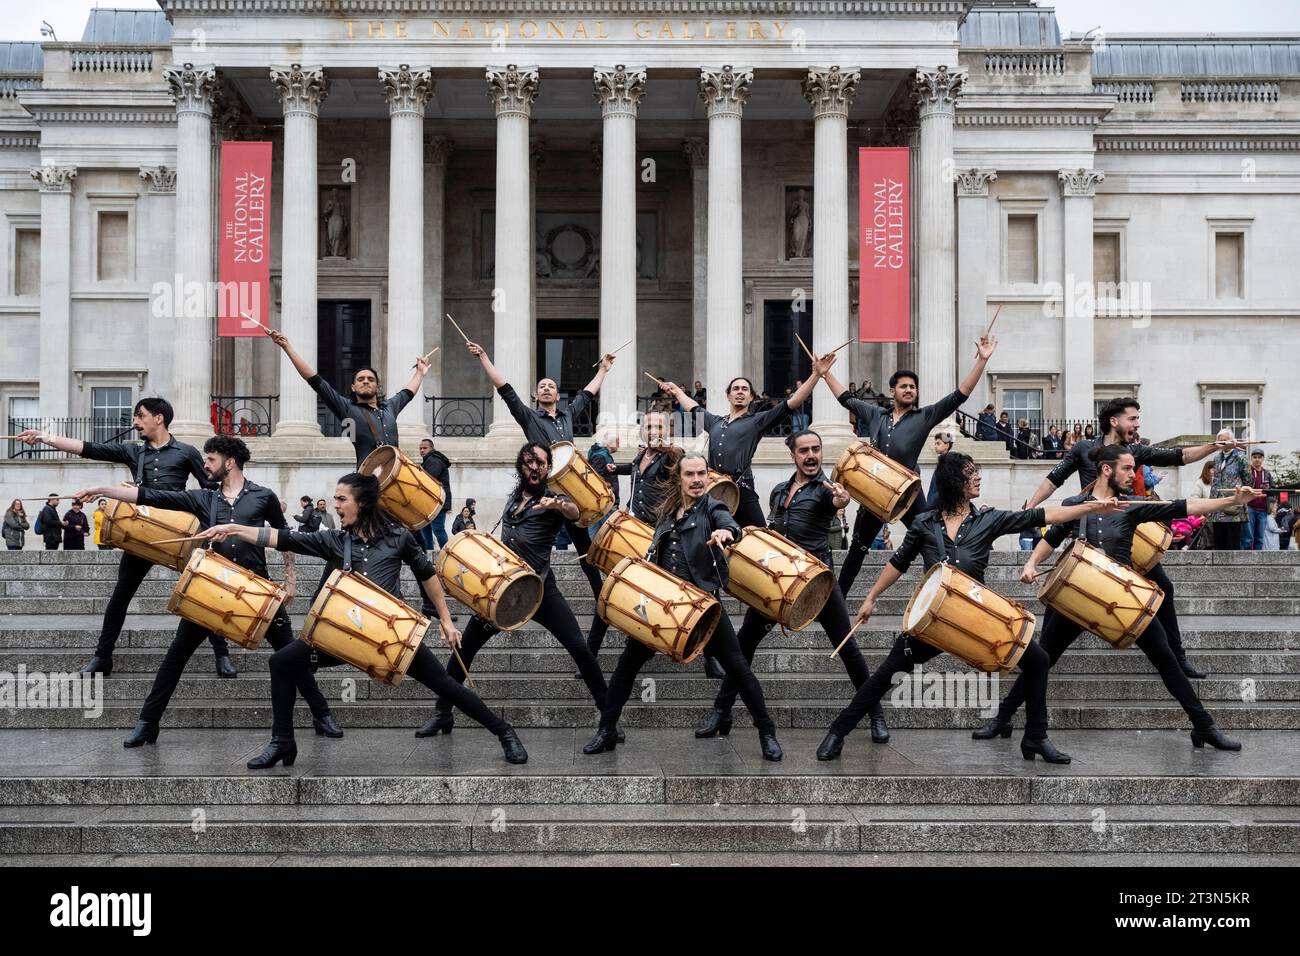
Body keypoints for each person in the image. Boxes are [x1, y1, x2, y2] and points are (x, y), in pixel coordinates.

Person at [198, 472, 527, 767]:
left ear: (363, 502)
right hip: (341, 635)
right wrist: (232, 528)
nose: (336, 504)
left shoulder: (399, 537)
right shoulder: (335, 540)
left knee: (444, 685)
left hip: (390, 637)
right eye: (336, 499)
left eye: (342, 499)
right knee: (282, 662)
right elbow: (279, 538)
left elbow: (428, 576)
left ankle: (504, 731)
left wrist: (446, 620)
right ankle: (282, 742)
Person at [817, 452, 1124, 763]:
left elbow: (1040, 517)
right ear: (954, 481)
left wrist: (1092, 506)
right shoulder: (924, 523)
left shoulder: (987, 519)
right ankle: (837, 733)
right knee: (883, 676)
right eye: (970, 473)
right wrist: (871, 598)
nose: (978, 477)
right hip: (932, 619)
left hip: (975, 614)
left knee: (1038, 660)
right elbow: (898, 562)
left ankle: (1035, 737)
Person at [978, 444, 1256, 753]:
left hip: (1123, 598)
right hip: (1077, 597)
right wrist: (1031, 564)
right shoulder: (1075, 505)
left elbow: (1185, 506)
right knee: (1041, 659)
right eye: (1127, 468)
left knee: (1167, 661)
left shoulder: (1132, 506)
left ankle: (1204, 726)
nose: (1132, 474)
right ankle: (1004, 717)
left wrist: (1232, 500)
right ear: (1106, 470)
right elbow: (1050, 540)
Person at [74, 435, 342, 748]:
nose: (205, 465)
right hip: (210, 589)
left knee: (288, 653)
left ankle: (321, 715)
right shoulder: (203, 498)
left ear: (230, 462)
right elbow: (149, 495)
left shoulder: (263, 496)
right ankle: (148, 723)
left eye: (211, 459)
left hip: (257, 590)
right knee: (175, 658)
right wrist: (103, 489)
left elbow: (284, 538)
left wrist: (291, 580)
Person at [583, 453, 783, 761]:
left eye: (701, 473)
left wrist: (725, 533)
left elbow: (730, 525)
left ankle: (767, 732)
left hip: (703, 606)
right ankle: (607, 729)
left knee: (739, 668)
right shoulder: (666, 512)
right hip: (663, 606)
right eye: (690, 474)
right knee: (625, 668)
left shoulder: (712, 508)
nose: (697, 480)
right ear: (680, 478)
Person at [1025, 399, 1241, 679]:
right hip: (1087, 534)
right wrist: (1031, 507)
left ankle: (1178, 658)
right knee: (1059, 599)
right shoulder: (1082, 449)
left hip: (1124, 533)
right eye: (1133, 419)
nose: (1138, 424)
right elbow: (1053, 480)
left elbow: (1180, 456)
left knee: (1163, 588)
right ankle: (1040, 662)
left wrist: (1215, 446)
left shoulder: (1134, 451)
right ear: (1114, 421)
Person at [17, 398, 231, 677]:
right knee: (119, 598)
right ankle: (103, 657)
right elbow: (88, 448)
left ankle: (222, 654)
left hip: (180, 538)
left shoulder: (187, 452)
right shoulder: (133, 452)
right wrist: (45, 438)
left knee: (203, 591)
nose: (135, 422)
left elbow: (210, 492)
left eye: (140, 416)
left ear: (159, 418)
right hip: (141, 536)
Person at [413, 443, 611, 739]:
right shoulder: (512, 500)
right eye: (530, 461)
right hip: (503, 590)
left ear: (547, 469)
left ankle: (609, 717)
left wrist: (559, 505)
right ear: (522, 465)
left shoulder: (554, 498)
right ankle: (443, 713)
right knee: (463, 649)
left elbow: (573, 512)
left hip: (541, 589)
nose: (536, 466)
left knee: (580, 649)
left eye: (542, 463)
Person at [695, 430, 881, 742]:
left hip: (817, 584)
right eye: (804, 450)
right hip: (779, 584)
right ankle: (721, 712)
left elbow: (836, 499)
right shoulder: (779, 492)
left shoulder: (825, 490)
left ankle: (876, 713)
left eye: (816, 450)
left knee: (847, 648)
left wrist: (841, 500)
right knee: (743, 647)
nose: (811, 456)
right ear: (793, 455)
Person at [463, 338, 616, 644]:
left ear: (558, 395)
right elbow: (505, 389)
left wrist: (604, 369)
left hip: (567, 497)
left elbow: (588, 393)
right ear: (536, 394)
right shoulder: (529, 416)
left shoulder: (567, 415)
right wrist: (483, 357)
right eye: (541, 386)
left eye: (551, 386)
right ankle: (509, 603)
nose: (546, 388)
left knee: (588, 555)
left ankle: (603, 608)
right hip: (539, 497)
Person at [825, 334, 998, 595]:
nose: (909, 390)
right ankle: (836, 601)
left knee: (933, 541)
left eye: (913, 387)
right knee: (857, 550)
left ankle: (949, 593)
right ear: (892, 390)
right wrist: (825, 374)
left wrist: (981, 361)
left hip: (908, 493)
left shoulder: (925, 416)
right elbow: (846, 399)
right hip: (875, 495)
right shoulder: (875, 414)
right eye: (904, 386)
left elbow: (958, 396)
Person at [656, 359, 828, 529]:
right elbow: (693, 407)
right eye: (736, 389)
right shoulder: (715, 422)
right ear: (728, 396)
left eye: (745, 389)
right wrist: (677, 390)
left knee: (760, 535)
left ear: (751, 397)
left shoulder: (757, 421)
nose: (740, 392)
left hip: (742, 490)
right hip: (714, 490)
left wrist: (816, 375)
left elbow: (792, 402)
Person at [588, 412, 681, 657]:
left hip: (659, 534)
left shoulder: (671, 456)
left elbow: (680, 463)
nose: (653, 430)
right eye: (649, 425)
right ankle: (590, 654)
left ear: (666, 431)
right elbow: (635, 470)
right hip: (634, 530)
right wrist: (614, 468)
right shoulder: (641, 455)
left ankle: (710, 657)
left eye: (658, 426)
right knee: (612, 588)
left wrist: (670, 448)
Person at [267, 327, 428, 466]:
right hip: (368, 481)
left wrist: (420, 372)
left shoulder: (389, 407)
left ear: (378, 386)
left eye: (371, 379)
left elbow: (408, 392)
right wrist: (287, 347)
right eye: (361, 379)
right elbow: (313, 379)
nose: (366, 382)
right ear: (353, 386)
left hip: (397, 477)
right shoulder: (347, 408)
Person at [1209, 431, 1251, 551]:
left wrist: (1242, 497)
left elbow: (1248, 480)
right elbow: (1216, 479)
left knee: (1232, 543)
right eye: (1221, 440)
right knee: (1218, 543)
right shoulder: (1217, 458)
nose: (1224, 442)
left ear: (1232, 441)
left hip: (1233, 506)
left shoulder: (1240, 457)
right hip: (1217, 505)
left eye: (1226, 439)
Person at [418, 438, 451, 551]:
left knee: (437, 529)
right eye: (420, 448)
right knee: (425, 528)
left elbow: (429, 479)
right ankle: (428, 552)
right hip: (431, 501)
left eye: (425, 448)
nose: (422, 450)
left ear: (431, 448)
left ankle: (447, 552)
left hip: (437, 501)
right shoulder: (429, 460)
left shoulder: (434, 460)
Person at [586, 430, 621, 533]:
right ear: (610, 443)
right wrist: (609, 488)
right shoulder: (601, 456)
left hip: (602, 501)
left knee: (598, 532)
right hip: (604, 502)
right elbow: (596, 479)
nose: (619, 444)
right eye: (617, 441)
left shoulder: (600, 454)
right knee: (609, 532)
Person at [1242, 450, 1273, 551]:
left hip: (1263, 509)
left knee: (1259, 538)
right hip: (1249, 507)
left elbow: (1273, 490)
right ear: (1251, 458)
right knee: (1248, 537)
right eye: (1255, 457)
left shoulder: (1267, 473)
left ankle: (1258, 562)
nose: (1257, 459)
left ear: (1263, 459)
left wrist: (1268, 489)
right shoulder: (1246, 471)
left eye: (1259, 457)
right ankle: (1245, 560)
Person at [925, 432, 955, 510]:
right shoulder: (942, 461)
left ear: (947, 445)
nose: (935, 446)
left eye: (938, 443)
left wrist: (931, 505)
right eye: (935, 444)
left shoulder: (948, 463)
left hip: (939, 507)